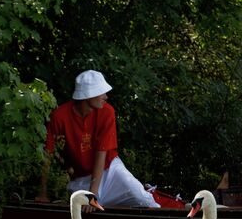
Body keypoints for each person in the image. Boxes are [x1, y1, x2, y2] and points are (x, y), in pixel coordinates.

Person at [37, 69, 159, 210]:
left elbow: (101, 154)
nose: (106, 97)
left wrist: (92, 194)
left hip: (110, 169)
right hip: (81, 177)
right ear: (88, 96)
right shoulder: (60, 116)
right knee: (80, 209)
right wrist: (42, 192)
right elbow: (47, 155)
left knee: (141, 197)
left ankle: (165, 211)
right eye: (101, 92)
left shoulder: (107, 112)